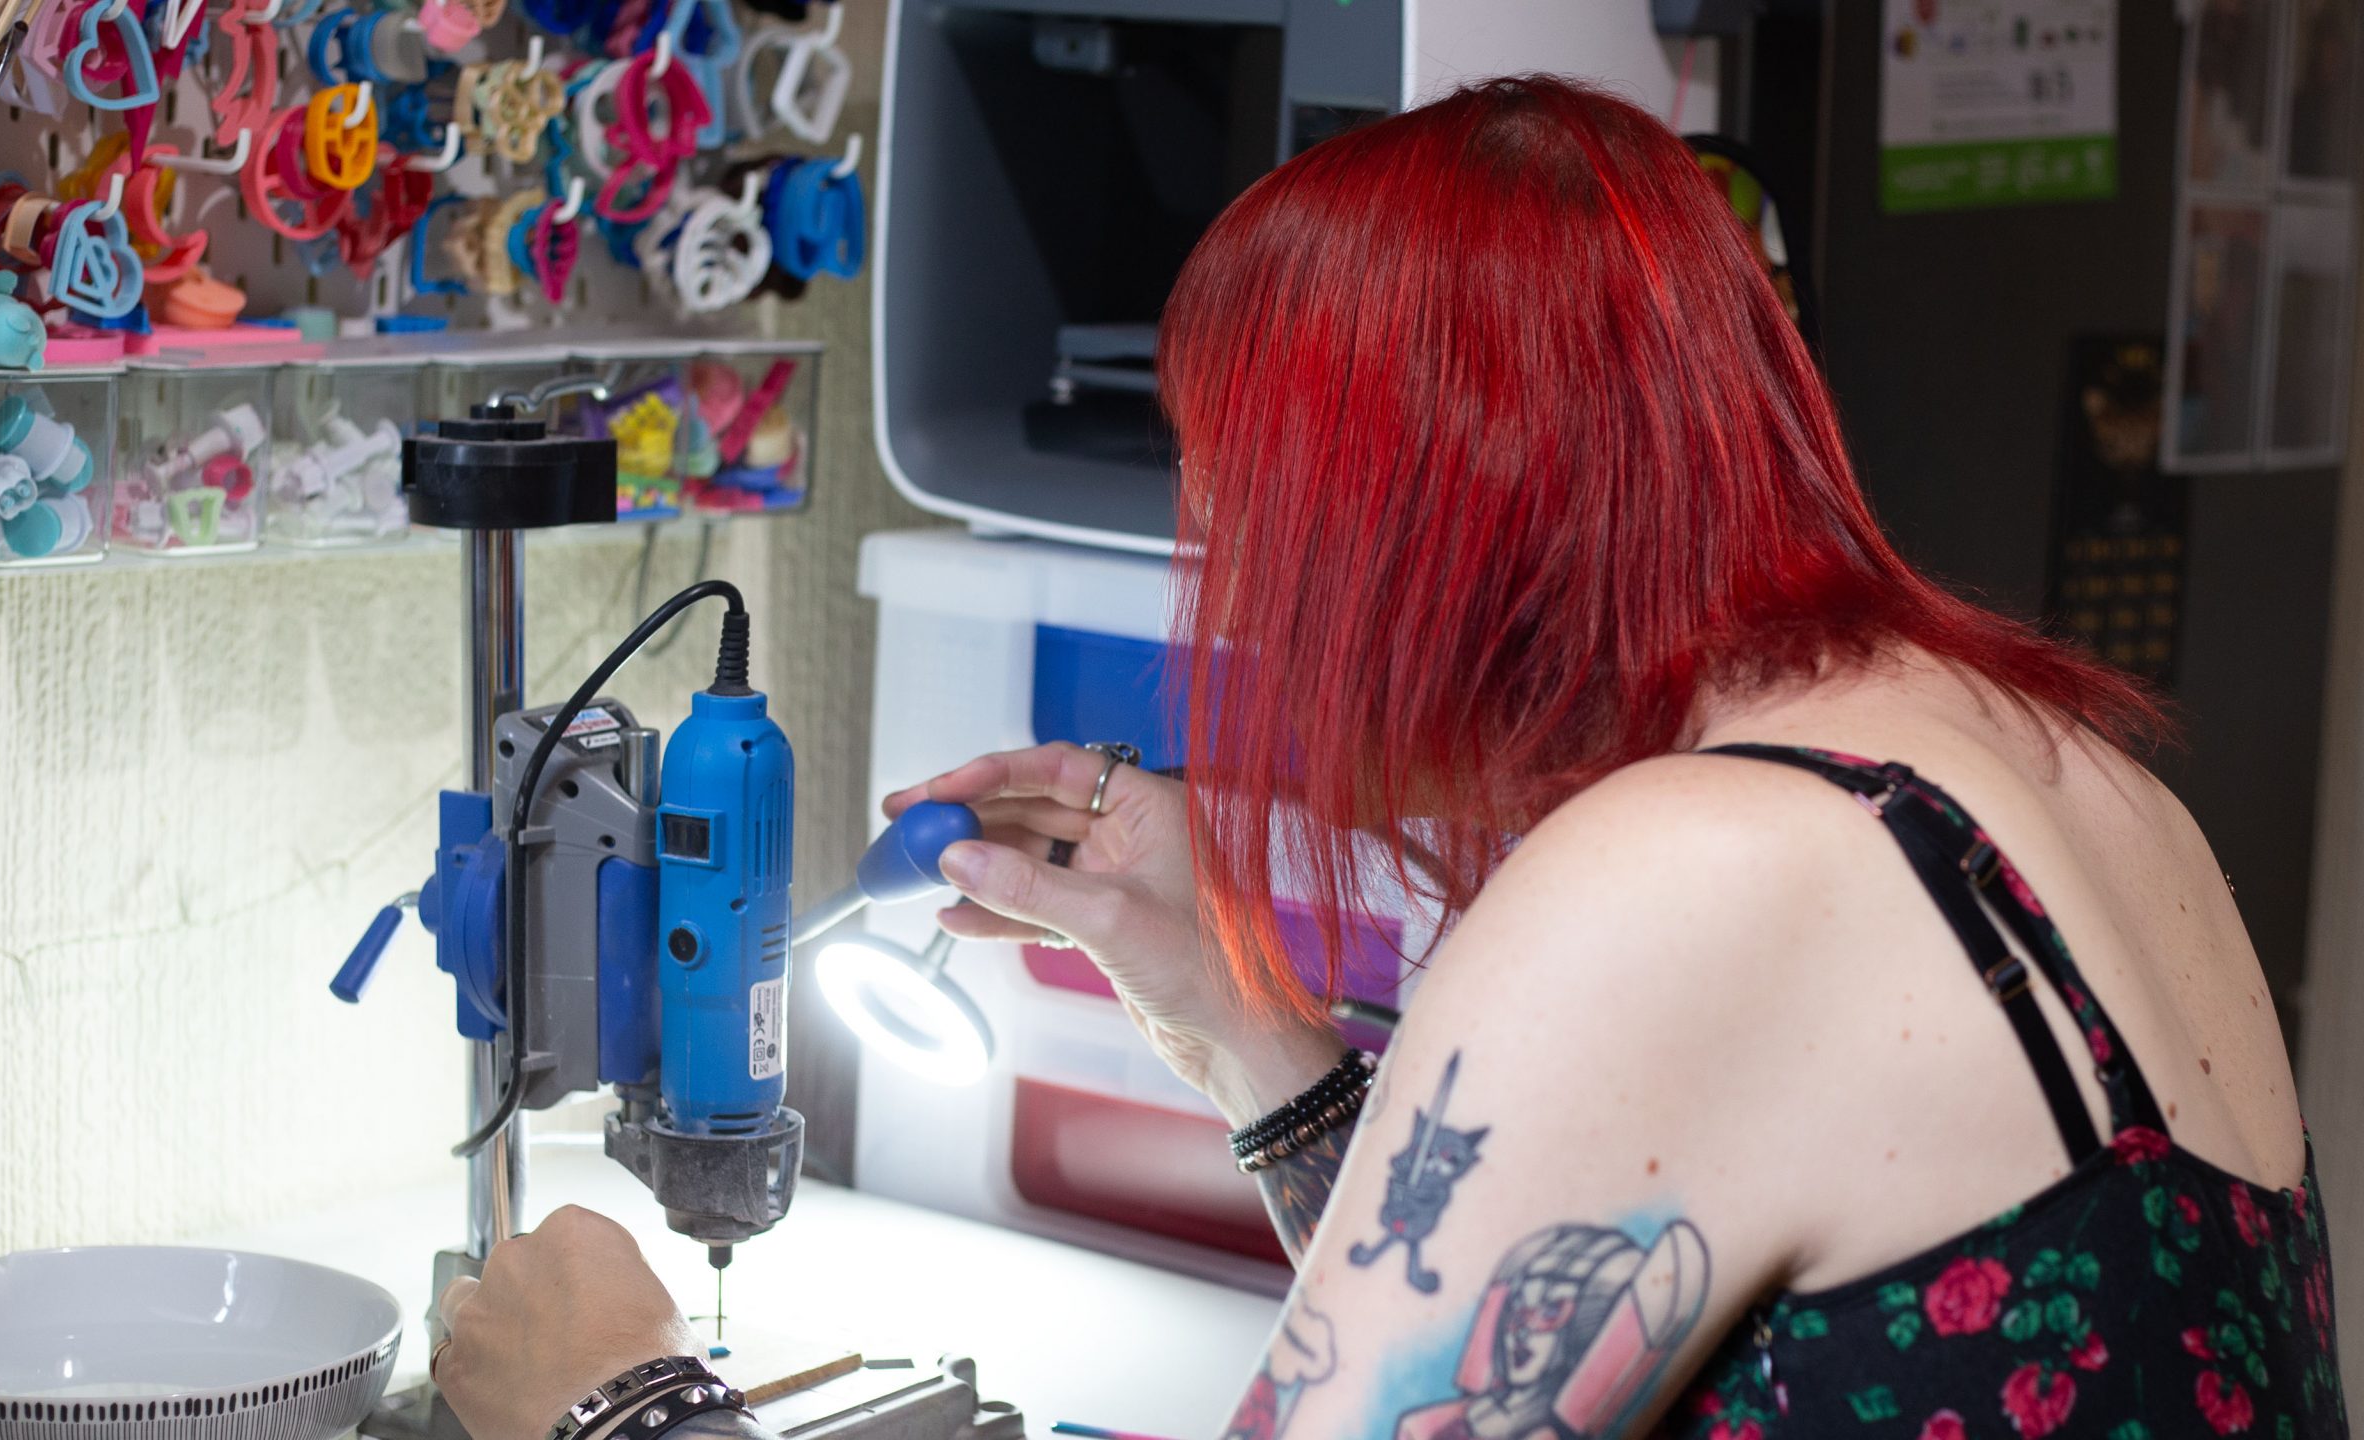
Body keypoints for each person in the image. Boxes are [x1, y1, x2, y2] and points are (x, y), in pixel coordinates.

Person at [432, 76, 2344, 1440]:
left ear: (1421, 532)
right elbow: (1543, 1327)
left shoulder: (1696, 868)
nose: (1249, 612)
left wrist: (624, 1404)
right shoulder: (2042, 769)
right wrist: (1235, 1014)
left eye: (1247, 523)